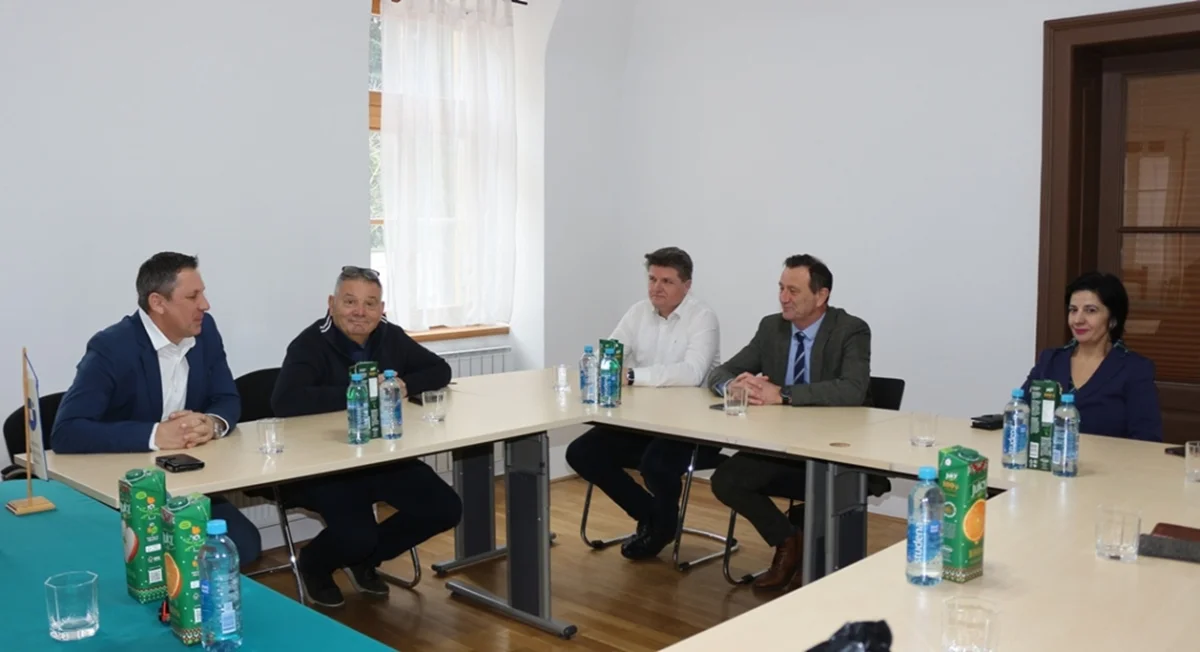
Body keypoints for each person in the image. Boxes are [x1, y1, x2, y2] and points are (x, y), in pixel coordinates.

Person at [52, 252, 263, 566]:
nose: (205, 305)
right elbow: (66, 431)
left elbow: (227, 398)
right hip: (123, 491)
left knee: (243, 545)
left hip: (187, 482)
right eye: (192, 296)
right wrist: (155, 435)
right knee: (152, 558)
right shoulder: (113, 347)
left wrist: (212, 423)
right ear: (158, 302)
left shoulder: (205, 331)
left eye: (203, 293)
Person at [271, 265, 462, 608]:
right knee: (357, 535)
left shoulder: (390, 335)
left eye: (370, 303)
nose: (360, 312)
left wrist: (405, 384)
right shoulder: (309, 344)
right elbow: (285, 401)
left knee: (445, 508)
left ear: (381, 309)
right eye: (350, 301)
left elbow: (440, 369)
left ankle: (362, 560)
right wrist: (361, 391)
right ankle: (314, 565)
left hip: (382, 458)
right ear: (331, 303)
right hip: (326, 464)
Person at [706, 254, 871, 591]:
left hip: (831, 449)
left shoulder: (850, 329)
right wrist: (732, 386)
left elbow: (853, 389)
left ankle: (814, 555)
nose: (783, 298)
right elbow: (721, 371)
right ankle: (788, 540)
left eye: (793, 291)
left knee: (822, 487)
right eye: (781, 288)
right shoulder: (772, 327)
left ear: (821, 295)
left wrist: (783, 394)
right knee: (726, 479)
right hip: (780, 445)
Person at [565, 247, 721, 560]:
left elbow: (692, 373)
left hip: (689, 427)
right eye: (652, 279)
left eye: (667, 281)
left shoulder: (702, 318)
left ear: (687, 285)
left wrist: (634, 375)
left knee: (656, 464)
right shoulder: (638, 312)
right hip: (641, 422)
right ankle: (655, 516)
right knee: (581, 452)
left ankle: (659, 524)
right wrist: (602, 364)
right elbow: (609, 354)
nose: (656, 288)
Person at [1021, 271, 1162, 442]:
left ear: (1113, 320)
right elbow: (1020, 414)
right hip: (1050, 458)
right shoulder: (1050, 360)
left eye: (1091, 311)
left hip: (1111, 459)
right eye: (1073, 310)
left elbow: (1147, 439)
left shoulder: (1135, 369)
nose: (1078, 320)